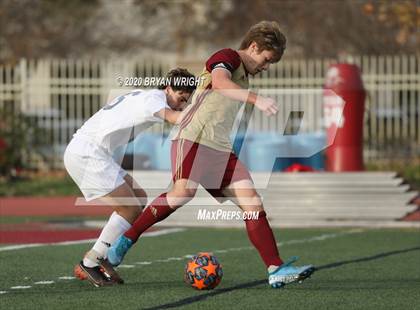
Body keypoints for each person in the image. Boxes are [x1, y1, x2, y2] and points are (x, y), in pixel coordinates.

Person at [108, 21, 315, 288]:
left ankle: (276, 269)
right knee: (183, 193)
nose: (266, 67)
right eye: (266, 60)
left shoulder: (245, 75)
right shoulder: (226, 56)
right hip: (193, 137)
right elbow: (219, 82)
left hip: (220, 148)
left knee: (252, 203)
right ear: (253, 47)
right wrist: (256, 99)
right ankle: (126, 239)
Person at [63, 68, 196, 287]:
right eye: (181, 97)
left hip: (96, 152)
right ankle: (91, 260)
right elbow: (175, 118)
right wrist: (205, 118)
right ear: (168, 87)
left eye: (186, 100)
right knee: (130, 208)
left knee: (139, 198)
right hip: (87, 153)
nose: (182, 104)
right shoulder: (154, 100)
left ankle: (101, 257)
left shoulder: (149, 96)